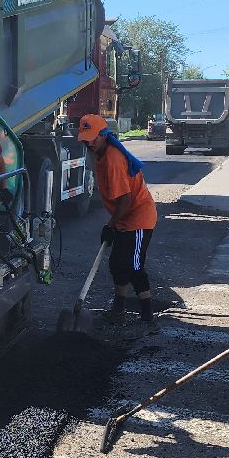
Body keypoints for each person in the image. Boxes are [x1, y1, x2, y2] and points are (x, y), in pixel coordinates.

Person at [77, 114, 158, 336]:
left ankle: (148, 318)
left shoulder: (113, 158)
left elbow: (125, 199)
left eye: (93, 138)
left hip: (138, 217)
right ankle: (119, 309)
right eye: (86, 138)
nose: (89, 142)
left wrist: (111, 225)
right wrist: (114, 224)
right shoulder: (100, 154)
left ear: (104, 136)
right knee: (116, 264)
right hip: (124, 217)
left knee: (133, 266)